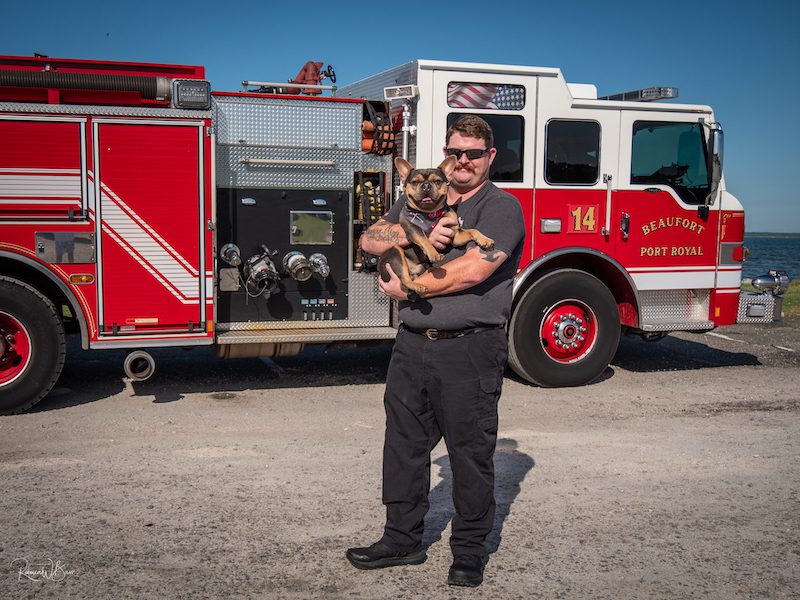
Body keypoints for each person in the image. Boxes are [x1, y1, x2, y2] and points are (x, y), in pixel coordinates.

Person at [346, 115, 525, 587]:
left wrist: (410, 289)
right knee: (402, 446)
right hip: (411, 347)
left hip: (469, 350)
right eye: (456, 152)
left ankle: (468, 551)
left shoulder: (500, 207)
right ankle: (400, 539)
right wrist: (407, 234)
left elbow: (473, 271)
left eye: (472, 154)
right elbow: (367, 239)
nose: (463, 161)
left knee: (469, 453)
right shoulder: (419, 201)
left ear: (489, 158)